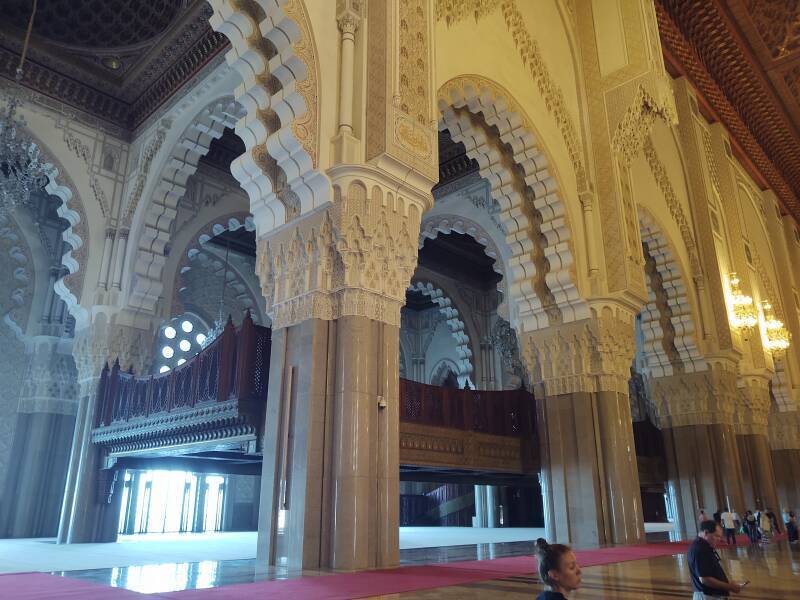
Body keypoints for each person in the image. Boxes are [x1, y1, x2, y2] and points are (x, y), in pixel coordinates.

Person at [688, 520, 744, 598]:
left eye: (720, 537)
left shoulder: (703, 546)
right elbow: (705, 579)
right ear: (706, 533)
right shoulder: (700, 549)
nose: (719, 539)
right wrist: (730, 587)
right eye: (716, 536)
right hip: (708, 596)